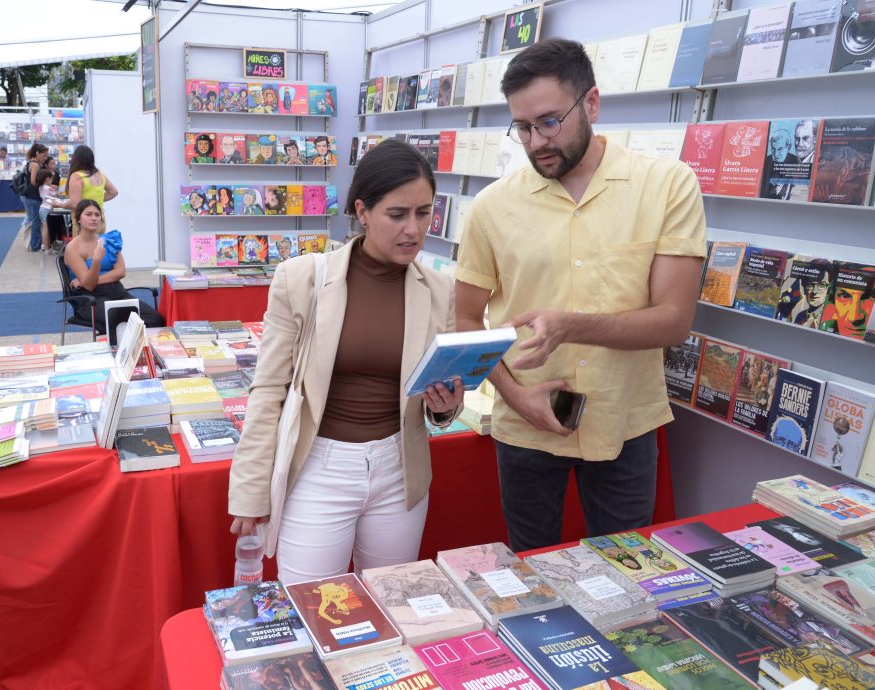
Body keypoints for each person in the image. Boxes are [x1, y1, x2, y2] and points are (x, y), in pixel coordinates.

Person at [454, 39, 707, 552]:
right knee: (530, 570)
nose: (535, 142)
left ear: (590, 103)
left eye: (549, 121)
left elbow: (674, 321)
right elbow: (463, 320)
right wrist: (516, 396)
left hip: (625, 423)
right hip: (524, 428)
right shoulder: (491, 207)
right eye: (522, 128)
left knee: (626, 571)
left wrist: (572, 325)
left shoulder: (666, 186)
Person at [228, 139, 463, 584]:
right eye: (397, 214)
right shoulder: (302, 279)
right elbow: (269, 389)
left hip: (399, 469)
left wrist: (445, 403)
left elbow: (439, 401)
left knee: (390, 602)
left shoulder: (438, 289)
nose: (413, 229)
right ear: (362, 211)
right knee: (314, 608)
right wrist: (250, 490)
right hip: (319, 467)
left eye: (424, 212)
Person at [63, 199, 164, 332]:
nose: (93, 218)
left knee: (156, 319)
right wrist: (96, 260)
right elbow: (89, 286)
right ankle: (122, 351)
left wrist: (87, 279)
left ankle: (142, 351)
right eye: (88, 214)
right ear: (78, 219)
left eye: (97, 215)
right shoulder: (73, 248)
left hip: (117, 292)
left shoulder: (108, 240)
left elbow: (120, 272)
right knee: (119, 321)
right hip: (90, 298)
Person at [51, 145, 118, 234]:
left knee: (81, 246)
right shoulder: (99, 174)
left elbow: (75, 204)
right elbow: (113, 192)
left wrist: (59, 204)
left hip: (84, 221)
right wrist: (94, 200)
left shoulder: (77, 176)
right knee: (98, 246)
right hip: (99, 218)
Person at [19, 143, 48, 251]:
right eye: (44, 155)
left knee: (33, 220)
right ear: (37, 153)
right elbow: (33, 181)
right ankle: (35, 245)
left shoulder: (30, 162)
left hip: (29, 196)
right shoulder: (35, 165)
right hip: (32, 197)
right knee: (36, 221)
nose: (45, 158)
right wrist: (44, 186)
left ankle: (33, 243)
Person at [36, 169, 58, 254]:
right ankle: (47, 248)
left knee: (44, 228)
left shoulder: (40, 187)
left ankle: (44, 245)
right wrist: (54, 190)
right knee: (47, 229)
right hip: (48, 209)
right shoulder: (49, 188)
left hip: (42, 208)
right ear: (47, 179)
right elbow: (55, 197)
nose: (52, 181)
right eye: (51, 179)